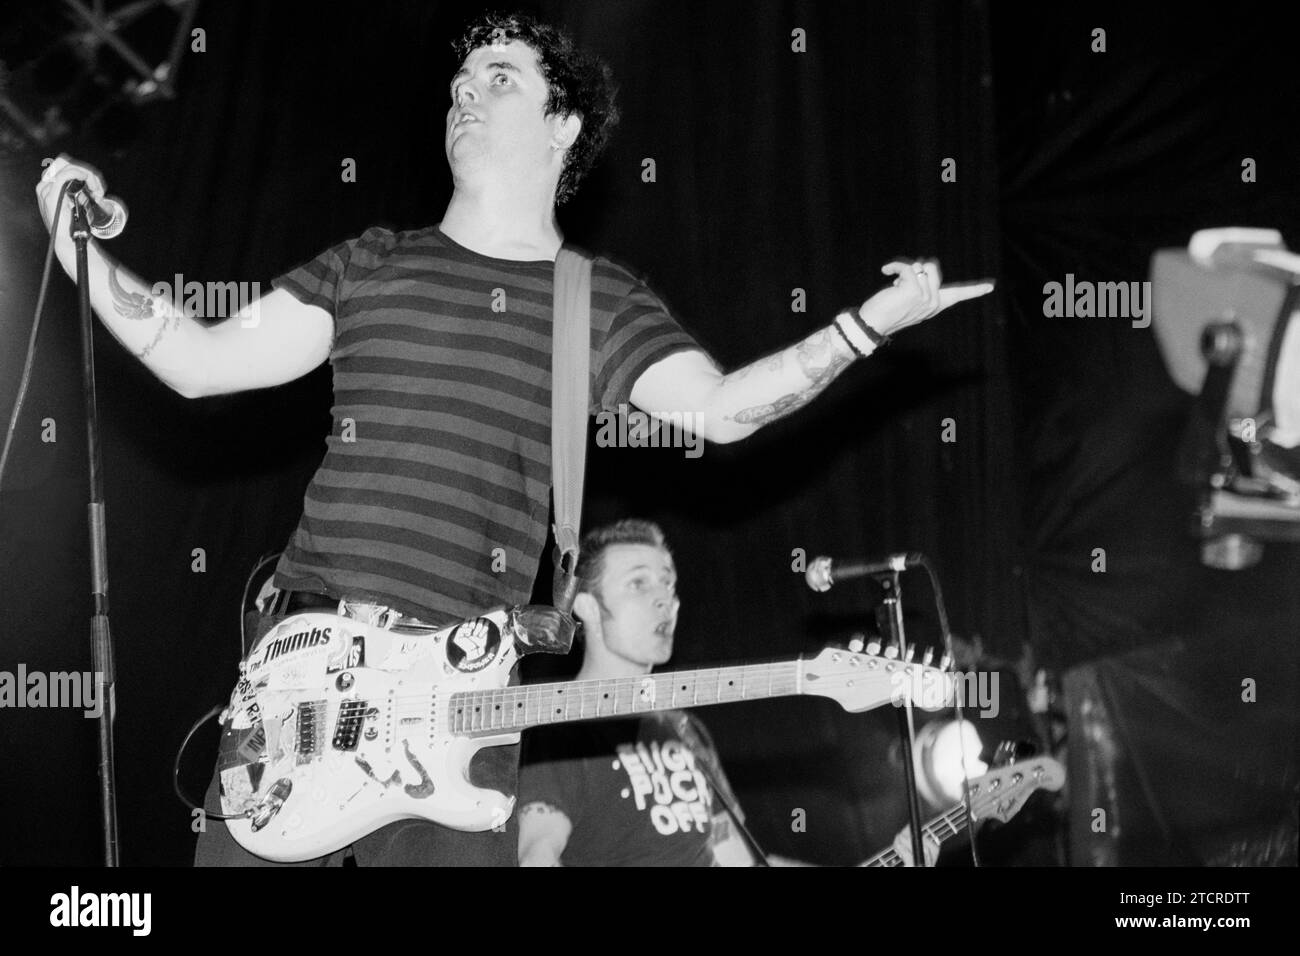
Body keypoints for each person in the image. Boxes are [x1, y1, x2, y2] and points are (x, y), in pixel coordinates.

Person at [34, 13, 989, 866]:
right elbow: (199, 360)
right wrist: (79, 248)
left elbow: (726, 408)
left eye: (500, 79)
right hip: (296, 696)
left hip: (460, 713)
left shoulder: (595, 300)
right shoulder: (369, 262)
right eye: (459, 84)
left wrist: (865, 328)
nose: (465, 95)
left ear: (564, 125)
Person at [517, 518, 939, 867]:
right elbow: (535, 852)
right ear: (587, 607)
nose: (665, 599)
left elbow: (739, 859)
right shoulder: (557, 725)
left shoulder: (683, 729)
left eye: (668, 584)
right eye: (639, 584)